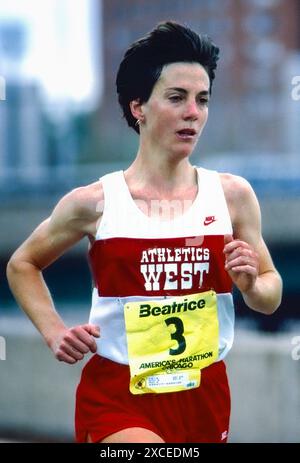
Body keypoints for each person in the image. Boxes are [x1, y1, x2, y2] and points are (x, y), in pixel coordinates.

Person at [6, 21, 282, 444]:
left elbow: (269, 294)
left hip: (203, 396)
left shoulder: (232, 196)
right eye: (177, 98)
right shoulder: (94, 202)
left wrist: (250, 284)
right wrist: (55, 331)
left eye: (202, 99)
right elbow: (23, 263)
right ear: (139, 107)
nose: (193, 112)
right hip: (117, 398)